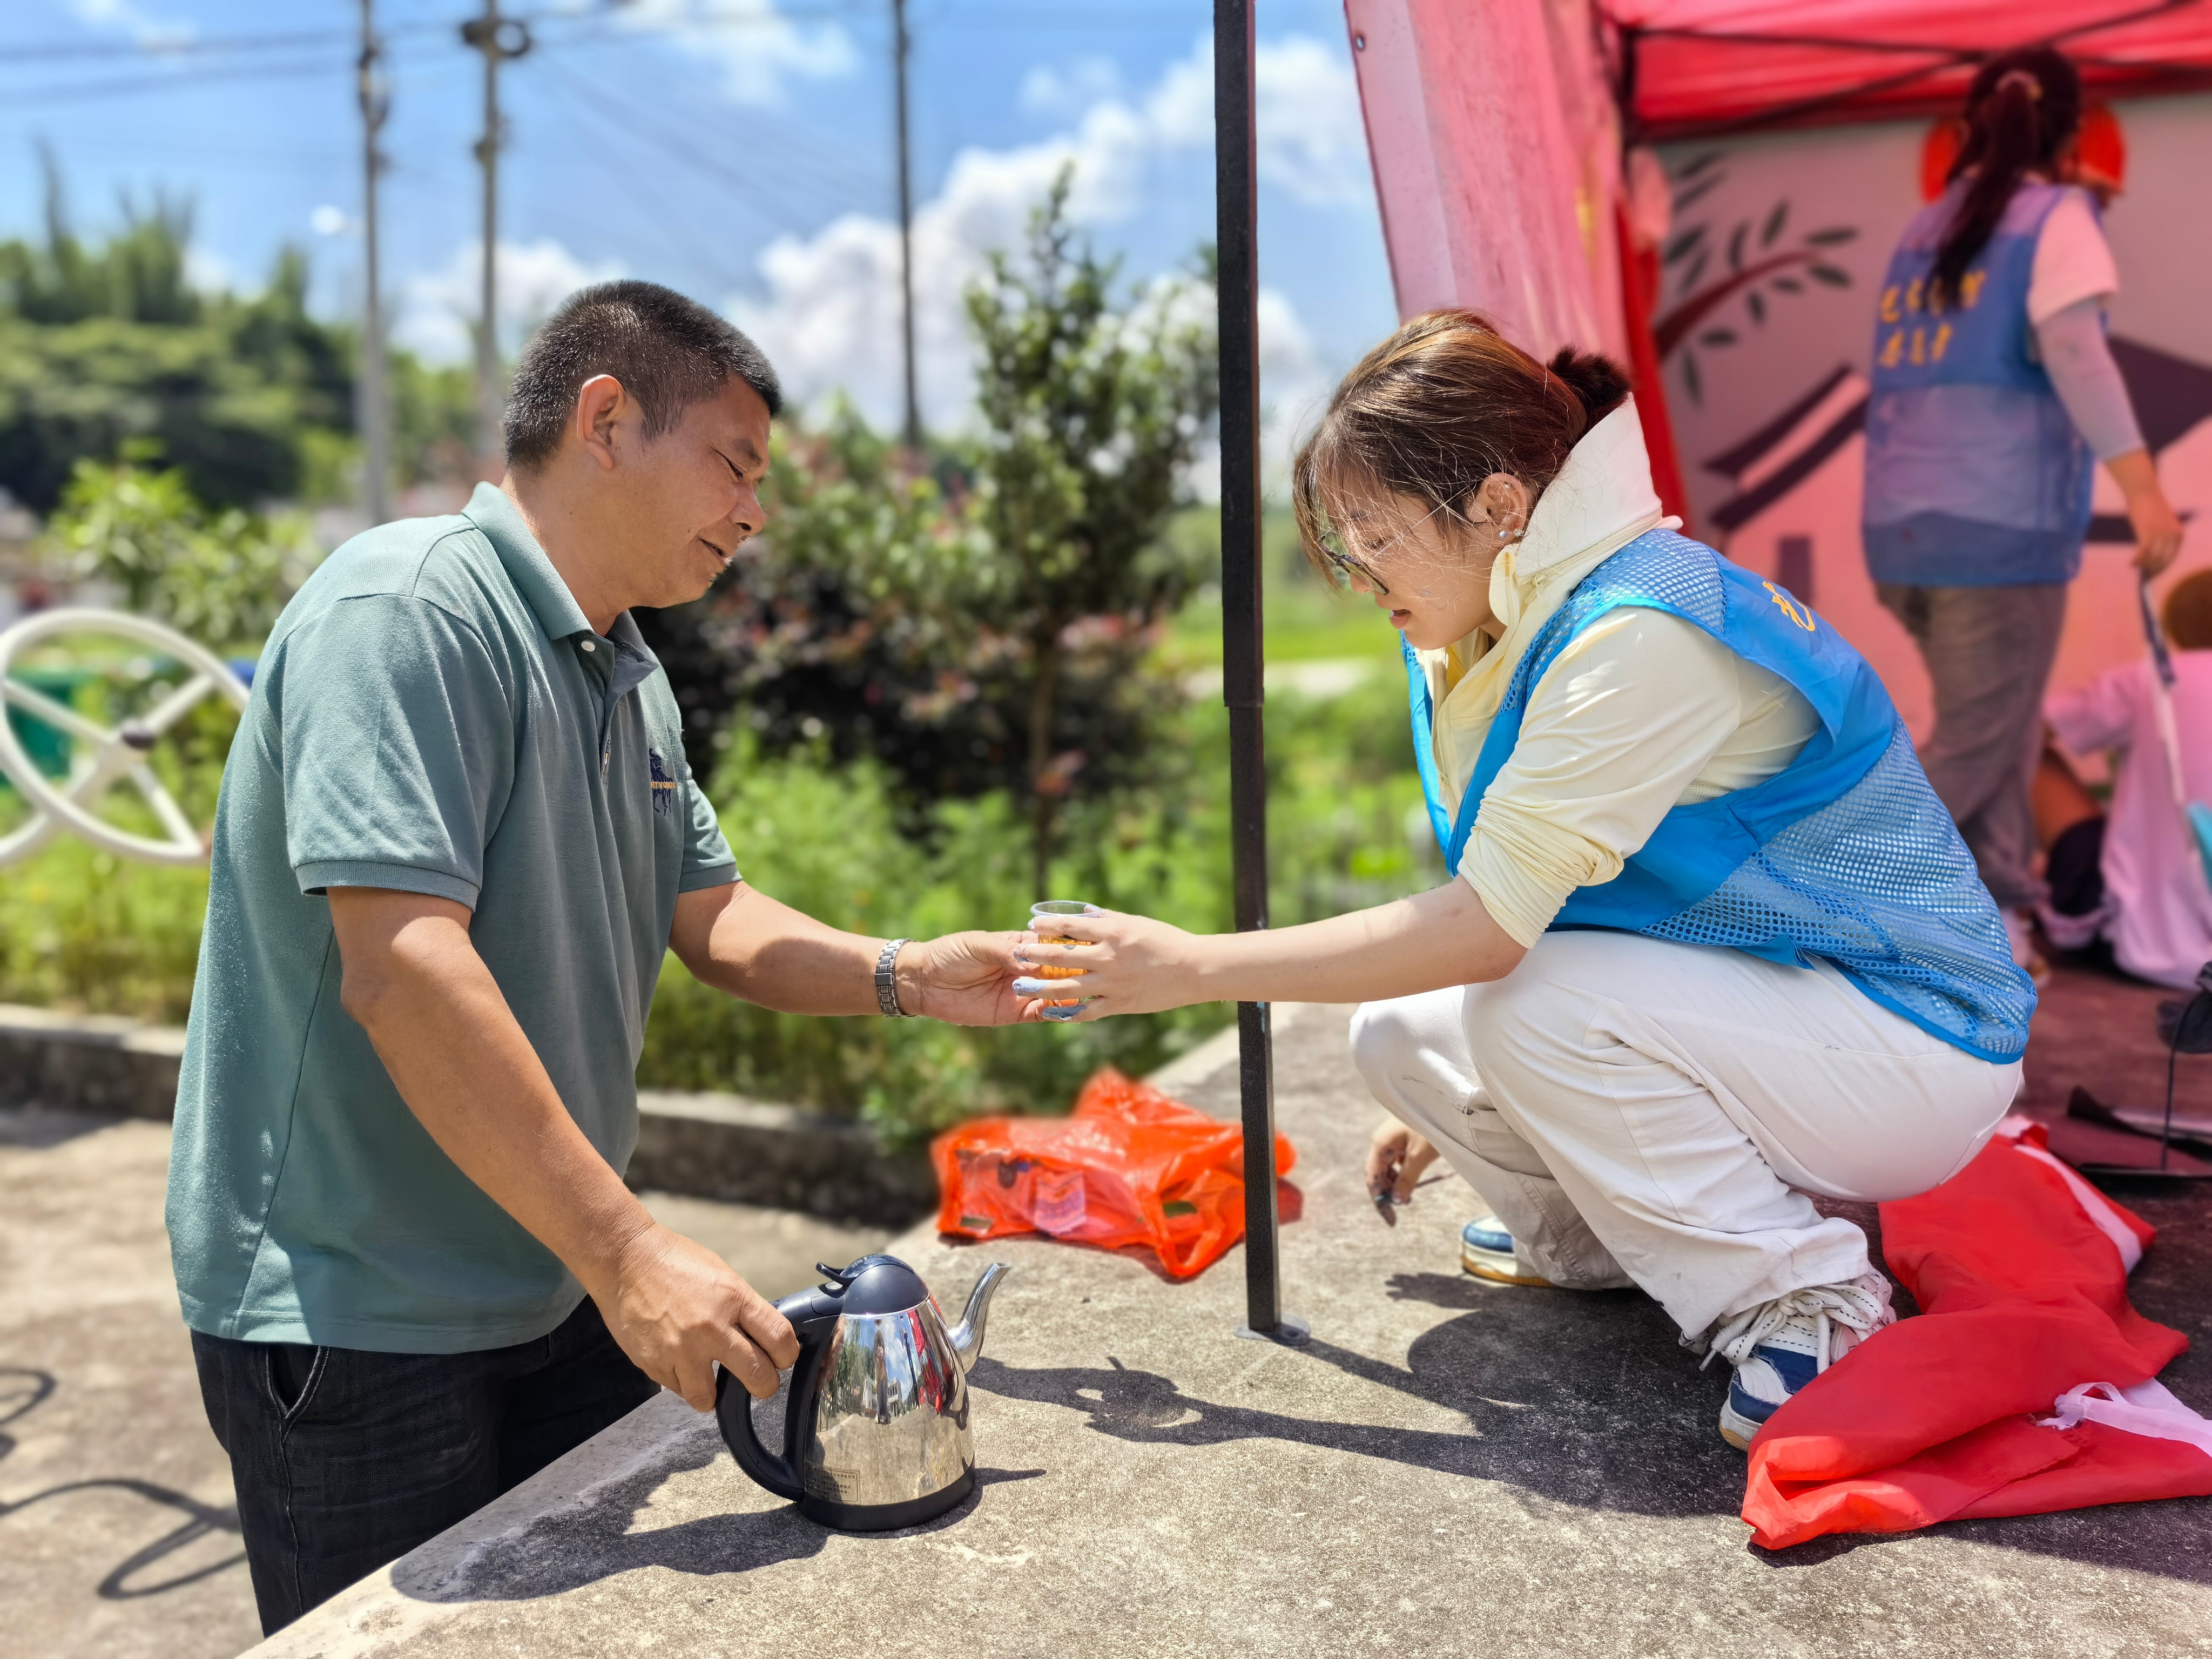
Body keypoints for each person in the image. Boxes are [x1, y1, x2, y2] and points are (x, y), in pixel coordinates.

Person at [1012, 311, 2033, 1450]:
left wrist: (1190, 967)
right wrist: (1494, 1107)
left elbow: (1489, 933)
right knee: (1398, 1037)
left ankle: (1803, 1296)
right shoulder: (1513, 617)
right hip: (1783, 1007)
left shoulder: (1641, 630)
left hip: (1911, 1040)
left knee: (1524, 1008)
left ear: (1500, 508)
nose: (1356, 575)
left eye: (1375, 535)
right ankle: (1603, 1241)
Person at [168, 280, 1024, 1634]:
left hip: (547, 1267)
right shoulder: (404, 612)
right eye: (733, 464)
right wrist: (629, 1250)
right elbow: (399, 964)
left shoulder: (627, 667)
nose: (754, 512)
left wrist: (907, 969)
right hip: (358, 1305)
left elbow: (714, 913)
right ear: (608, 421)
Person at [1861, 46, 2183, 977]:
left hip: (1902, 537)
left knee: (1997, 729)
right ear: (2073, 133)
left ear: (1965, 131)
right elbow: (2078, 357)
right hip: (1995, 538)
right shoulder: (2057, 217)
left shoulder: (1928, 224)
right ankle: (1819, 889)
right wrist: (2143, 486)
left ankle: (1996, 916)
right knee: (1976, 738)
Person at [2037, 569, 2212, 987]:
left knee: (2026, 756)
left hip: (2140, 944)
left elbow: (2026, 729)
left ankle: (2002, 902)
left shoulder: (2149, 678)